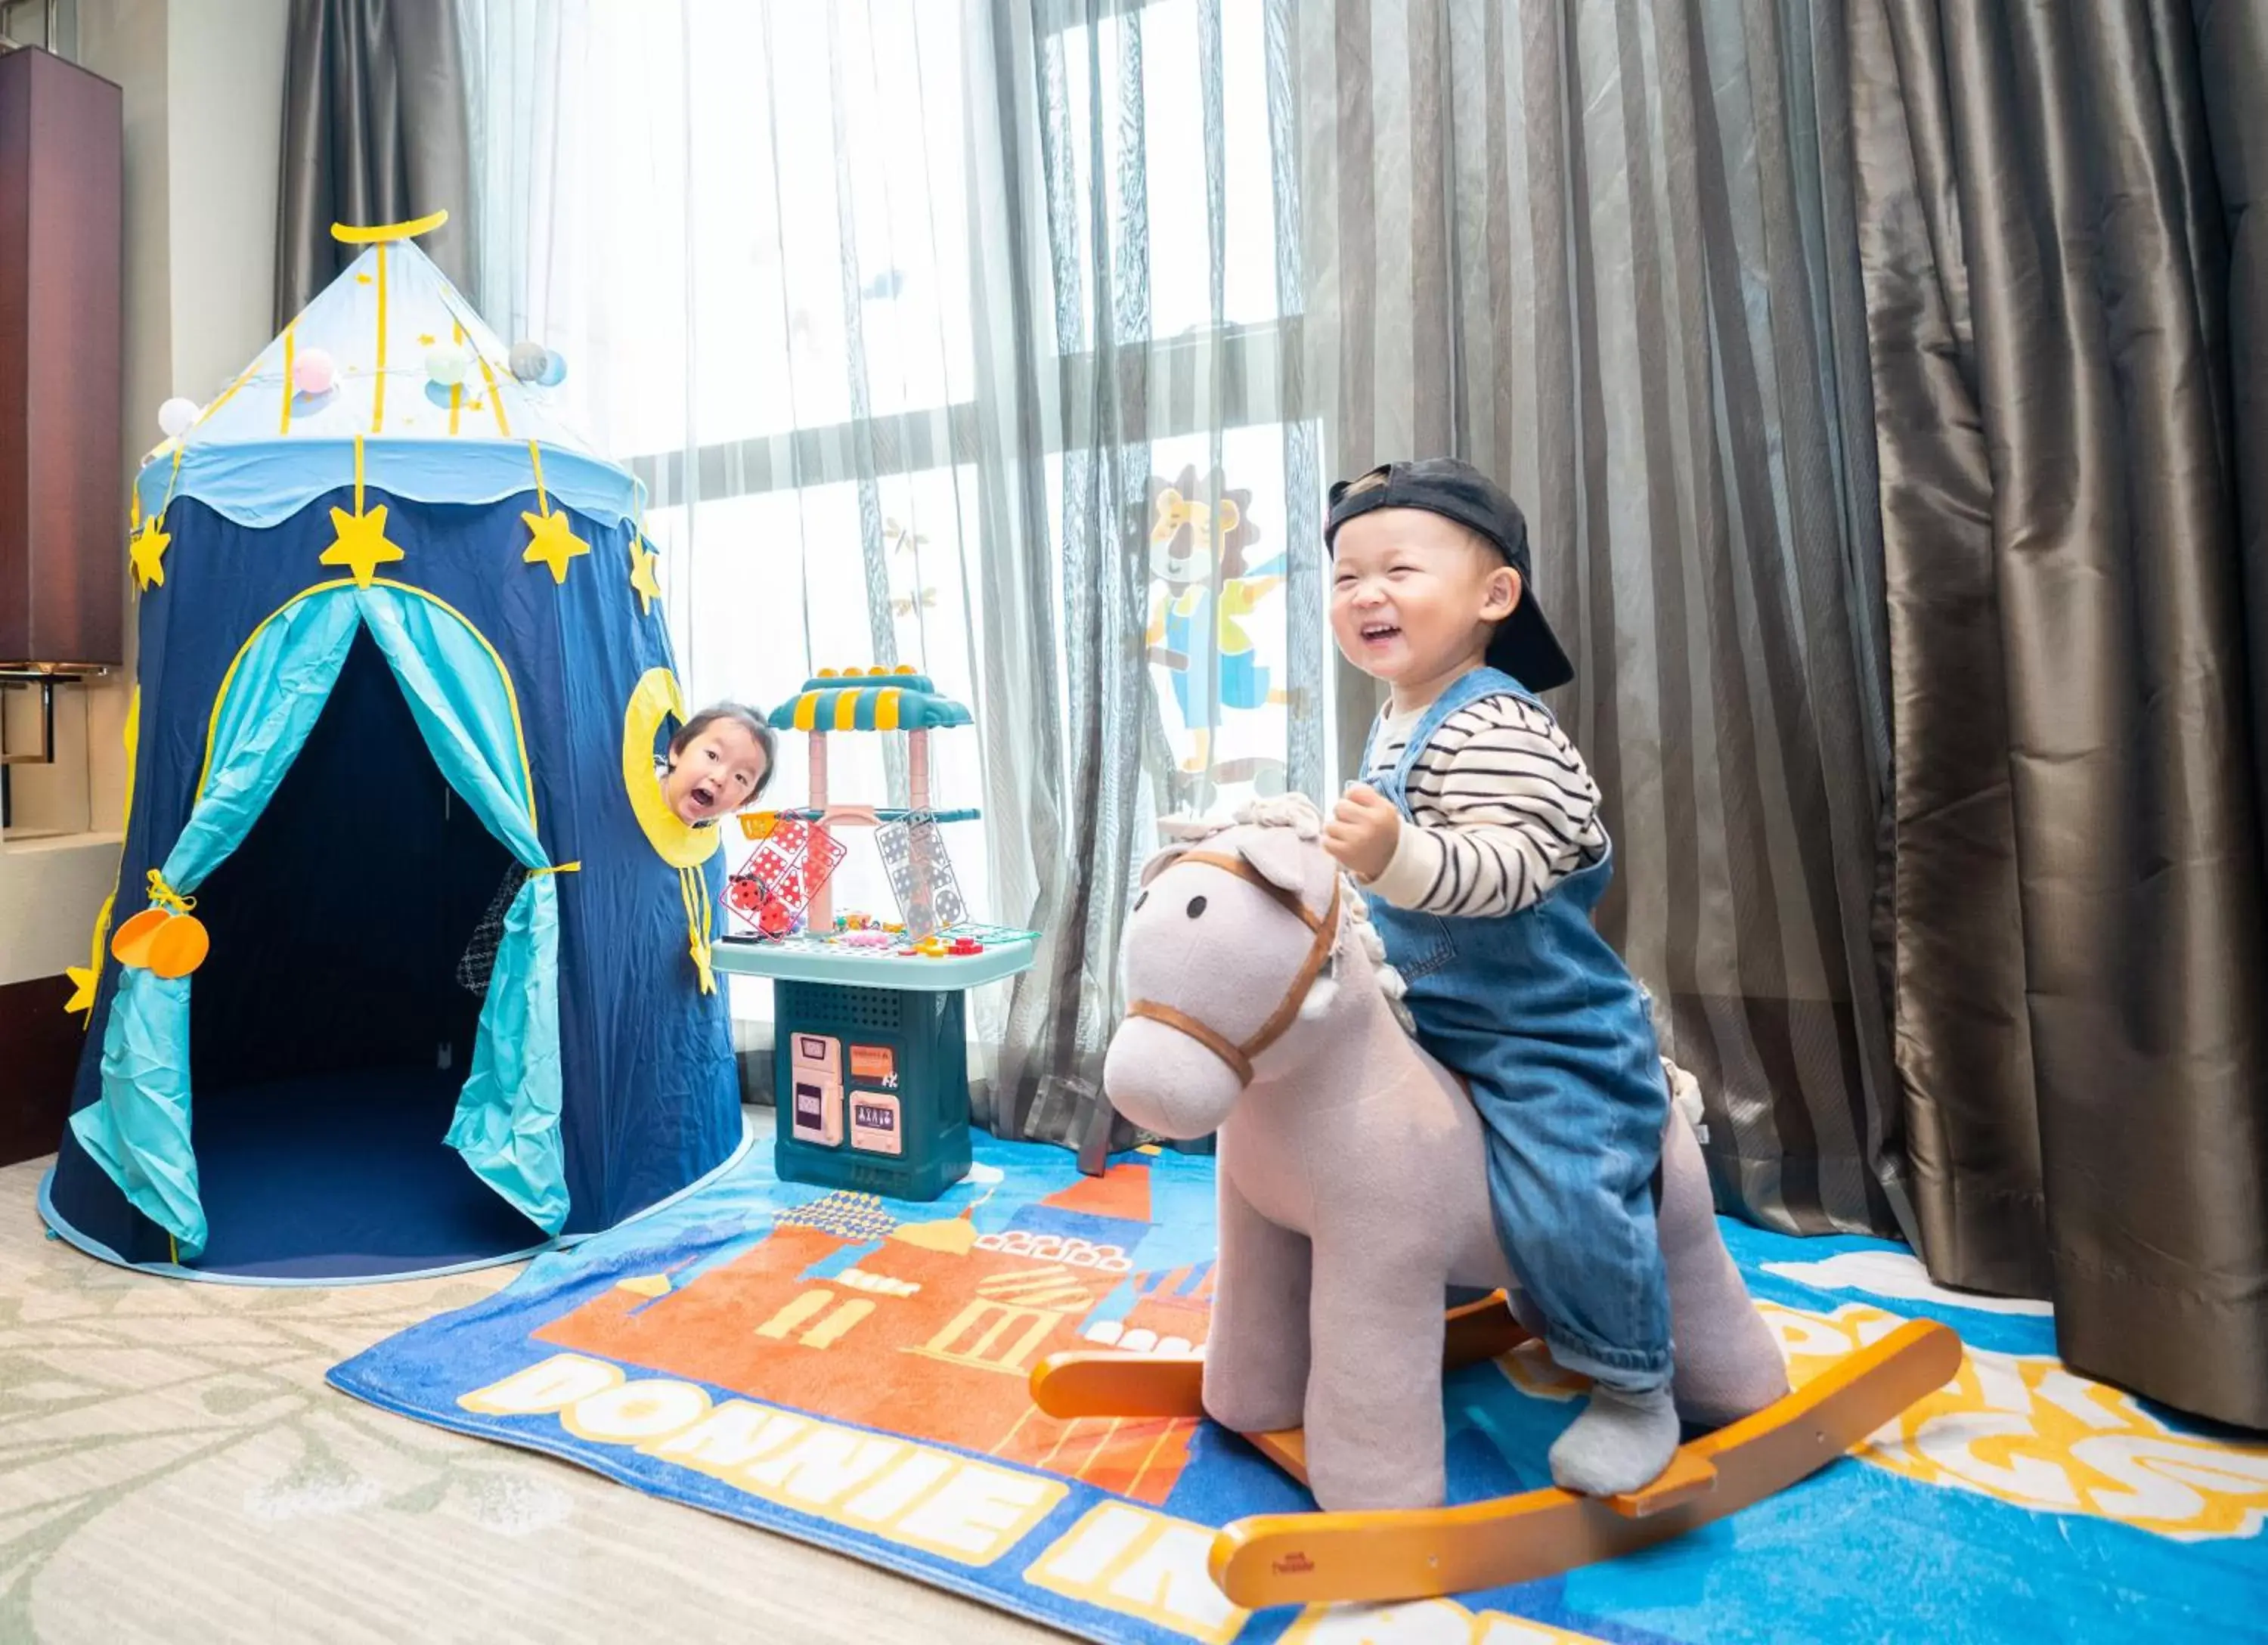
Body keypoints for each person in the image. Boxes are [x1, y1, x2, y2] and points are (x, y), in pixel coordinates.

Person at [1318, 458, 1677, 1496]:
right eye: (1345, 577)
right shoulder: (1397, 712)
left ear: (1493, 597)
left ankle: (1629, 1379)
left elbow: (1512, 870)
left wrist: (1395, 856)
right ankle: (1391, 1297)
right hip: (1429, 1013)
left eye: (1398, 570)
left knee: (1569, 1178)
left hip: (1541, 1030)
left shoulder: (1499, 724)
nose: (1366, 594)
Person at [456, 704, 775, 995]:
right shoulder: (619, 788)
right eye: (713, 756)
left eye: (740, 778)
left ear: (743, 803)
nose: (720, 778)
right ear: (677, 749)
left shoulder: (709, 850)